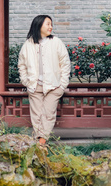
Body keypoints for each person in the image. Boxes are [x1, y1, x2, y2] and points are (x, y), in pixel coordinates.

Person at [18, 15, 71, 147]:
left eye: (51, 24)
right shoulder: (27, 45)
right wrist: (26, 81)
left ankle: (41, 141)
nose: (50, 27)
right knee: (36, 115)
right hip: (34, 86)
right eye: (47, 24)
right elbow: (21, 65)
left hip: (54, 86)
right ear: (38, 25)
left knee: (48, 113)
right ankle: (39, 141)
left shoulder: (56, 42)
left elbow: (65, 64)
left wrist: (62, 84)